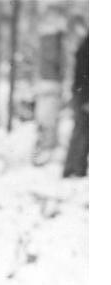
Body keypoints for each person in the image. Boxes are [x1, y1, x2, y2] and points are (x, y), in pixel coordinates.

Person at [63, 31, 88, 178]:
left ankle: (77, 169)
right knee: (82, 131)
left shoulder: (85, 46)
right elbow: (83, 74)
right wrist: (86, 98)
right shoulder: (86, 48)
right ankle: (74, 170)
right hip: (83, 95)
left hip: (82, 93)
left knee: (82, 130)